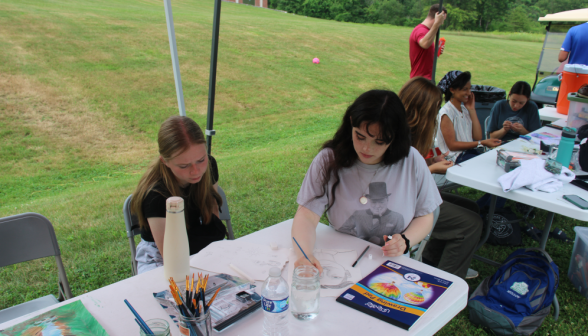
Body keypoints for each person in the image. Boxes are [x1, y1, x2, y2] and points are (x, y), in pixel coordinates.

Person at [291, 90, 442, 273]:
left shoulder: (411, 161)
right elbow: (307, 215)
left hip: (390, 265)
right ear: (351, 125)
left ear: (394, 138)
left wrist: (405, 240)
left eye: (378, 142)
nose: (366, 148)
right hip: (339, 261)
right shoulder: (328, 160)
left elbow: (425, 214)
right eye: (360, 136)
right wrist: (305, 255)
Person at [399, 76, 483, 280]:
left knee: (472, 207)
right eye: (435, 107)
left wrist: (432, 160)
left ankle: (431, 260)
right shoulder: (398, 136)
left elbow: (414, 166)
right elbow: (399, 181)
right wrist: (434, 168)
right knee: (471, 223)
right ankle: (447, 279)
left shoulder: (414, 131)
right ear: (422, 109)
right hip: (404, 203)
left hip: (415, 196)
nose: (438, 112)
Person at [131, 116, 226, 274]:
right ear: (165, 162)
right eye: (184, 165)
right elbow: (171, 258)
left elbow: (212, 220)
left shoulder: (209, 167)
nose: (196, 171)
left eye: (201, 160)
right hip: (161, 257)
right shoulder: (155, 195)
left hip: (199, 242)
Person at [436, 70, 501, 163]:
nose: (469, 93)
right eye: (465, 89)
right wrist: (481, 143)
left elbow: (478, 136)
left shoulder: (465, 109)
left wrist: (472, 110)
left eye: (470, 89)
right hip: (455, 158)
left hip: (468, 153)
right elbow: (452, 145)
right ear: (452, 90)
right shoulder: (446, 113)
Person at [409, 4, 447, 80]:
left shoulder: (428, 32)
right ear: (437, 17)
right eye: (442, 20)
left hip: (426, 80)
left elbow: (424, 55)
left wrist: (435, 52)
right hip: (420, 82)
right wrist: (436, 23)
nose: (442, 23)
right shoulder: (421, 30)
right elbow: (425, 44)